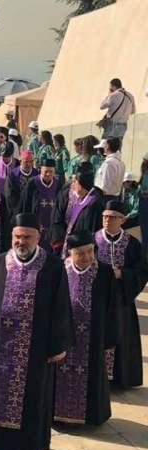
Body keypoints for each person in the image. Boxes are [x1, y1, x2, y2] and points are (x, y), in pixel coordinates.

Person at [0, 213, 73, 450]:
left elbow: (61, 307)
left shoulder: (53, 266)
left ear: (38, 238)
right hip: (1, 347)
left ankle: (29, 449)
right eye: (17, 237)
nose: (21, 242)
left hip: (36, 348)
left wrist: (58, 345)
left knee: (33, 398)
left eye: (27, 237)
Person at [54, 231, 119, 427]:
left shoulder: (105, 273)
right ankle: (57, 414)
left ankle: (91, 416)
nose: (87, 258)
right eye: (80, 253)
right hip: (64, 336)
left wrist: (110, 338)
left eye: (90, 251)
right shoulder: (59, 270)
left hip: (93, 337)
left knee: (92, 375)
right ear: (69, 253)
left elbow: (112, 308)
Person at [95, 200, 148, 388]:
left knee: (121, 337)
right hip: (97, 301)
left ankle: (119, 379)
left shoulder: (132, 244)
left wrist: (122, 274)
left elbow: (142, 271)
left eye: (112, 217)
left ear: (122, 220)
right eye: (104, 217)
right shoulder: (93, 240)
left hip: (121, 301)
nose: (107, 221)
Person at [52, 164, 104, 256]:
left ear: (83, 183)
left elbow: (93, 231)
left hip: (83, 250)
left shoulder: (94, 203)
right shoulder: (79, 199)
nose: (72, 184)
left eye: (75, 181)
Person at [21, 158, 61, 251]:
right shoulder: (32, 184)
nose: (48, 174)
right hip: (35, 226)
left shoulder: (58, 185)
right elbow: (25, 206)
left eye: (51, 171)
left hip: (52, 228)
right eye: (46, 171)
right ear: (40, 170)